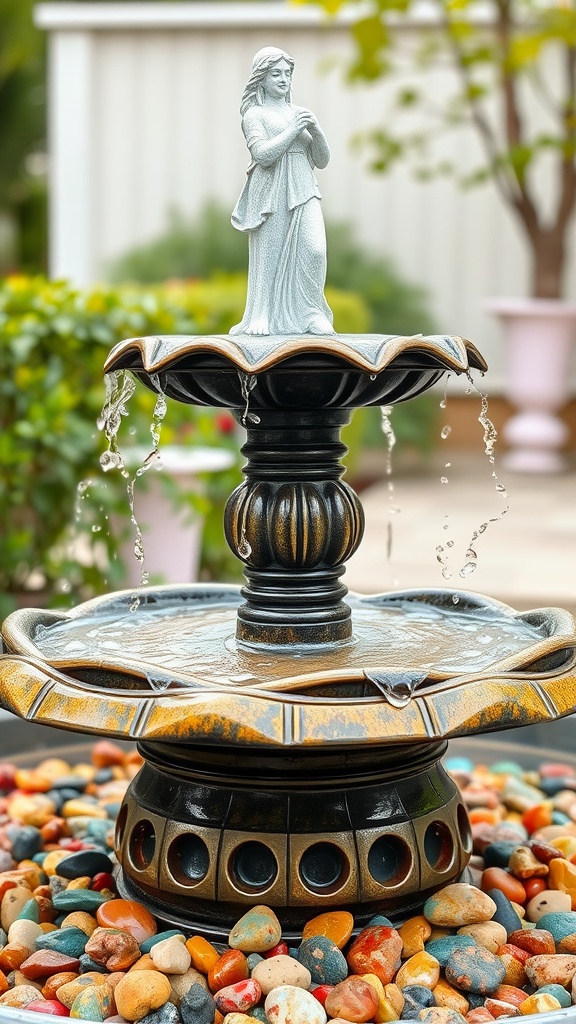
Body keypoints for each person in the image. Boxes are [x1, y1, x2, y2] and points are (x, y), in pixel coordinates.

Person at [230, 46, 334, 336]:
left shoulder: (300, 113)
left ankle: (312, 313)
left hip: (303, 186)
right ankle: (261, 314)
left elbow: (322, 160)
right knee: (269, 253)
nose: (283, 79)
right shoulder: (255, 115)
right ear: (261, 78)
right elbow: (262, 154)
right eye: (276, 73)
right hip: (272, 188)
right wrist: (292, 131)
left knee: (315, 250)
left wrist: (316, 129)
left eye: (287, 73)